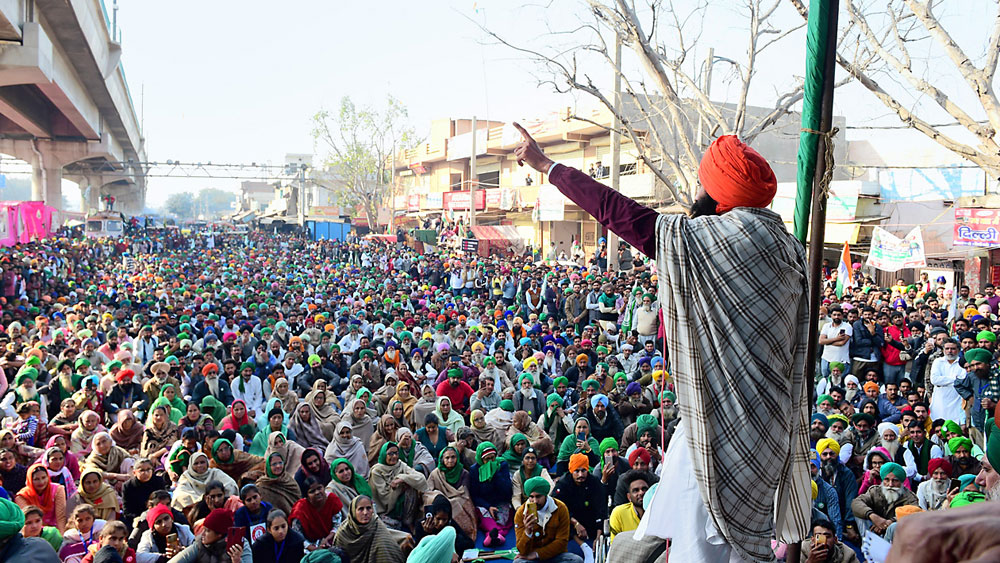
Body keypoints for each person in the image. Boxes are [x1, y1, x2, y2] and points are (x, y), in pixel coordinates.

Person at [514, 126, 811, 559]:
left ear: (718, 194)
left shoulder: (706, 241)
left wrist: (546, 165)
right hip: (770, 432)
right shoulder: (789, 249)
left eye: (702, 184)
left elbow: (618, 212)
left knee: (699, 547)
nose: (696, 194)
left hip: (715, 429)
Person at [512, 476, 580, 563]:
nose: (535, 501)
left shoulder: (561, 508)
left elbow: (562, 542)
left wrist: (537, 554)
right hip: (531, 557)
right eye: (531, 497)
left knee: (576, 560)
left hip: (554, 554)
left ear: (545, 495)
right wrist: (527, 532)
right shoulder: (521, 513)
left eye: (538, 496)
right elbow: (522, 550)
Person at [368, 442, 427, 531]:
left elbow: (420, 478)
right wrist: (398, 488)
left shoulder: (400, 465)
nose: (394, 456)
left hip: (401, 502)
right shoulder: (376, 471)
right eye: (390, 454)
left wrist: (401, 478)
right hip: (385, 508)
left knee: (411, 485)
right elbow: (384, 498)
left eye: (396, 453)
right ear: (384, 454)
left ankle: (408, 521)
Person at [553, 453, 606, 552]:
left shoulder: (594, 482)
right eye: (577, 471)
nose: (580, 475)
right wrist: (575, 523)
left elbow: (601, 508)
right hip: (570, 524)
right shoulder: (563, 484)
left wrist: (599, 536)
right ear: (571, 471)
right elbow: (558, 508)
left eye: (583, 471)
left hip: (591, 523)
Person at [423, 446, 477, 539]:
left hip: (459, 500)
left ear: (457, 458)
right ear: (442, 459)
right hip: (441, 502)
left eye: (453, 457)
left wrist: (450, 501)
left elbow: (465, 493)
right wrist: (440, 497)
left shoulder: (464, 473)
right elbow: (428, 491)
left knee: (457, 502)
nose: (450, 460)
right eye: (447, 458)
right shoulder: (435, 474)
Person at [851, 462, 917, 536]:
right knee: (860, 513)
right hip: (873, 529)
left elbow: (915, 513)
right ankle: (867, 541)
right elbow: (856, 502)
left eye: (895, 480)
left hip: (896, 535)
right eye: (887, 480)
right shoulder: (875, 491)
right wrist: (873, 517)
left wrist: (891, 522)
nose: (890, 484)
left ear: (901, 482)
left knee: (895, 526)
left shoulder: (909, 496)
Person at [332, 496, 406, 563]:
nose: (365, 513)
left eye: (368, 508)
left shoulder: (377, 527)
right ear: (353, 511)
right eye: (361, 509)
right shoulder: (344, 532)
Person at [469, 441, 514, 547]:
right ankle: (497, 535)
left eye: (492, 458)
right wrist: (488, 507)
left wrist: (495, 473)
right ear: (481, 459)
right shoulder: (475, 470)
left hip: (501, 501)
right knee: (484, 516)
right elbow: (475, 495)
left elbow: (507, 491)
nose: (490, 462)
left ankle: (492, 536)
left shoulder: (502, 465)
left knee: (503, 518)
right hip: (485, 504)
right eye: (487, 459)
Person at [164, 508, 250, 563]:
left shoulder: (240, 545)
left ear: (219, 534)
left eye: (207, 531)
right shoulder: (200, 544)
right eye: (203, 529)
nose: (203, 534)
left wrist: (237, 561)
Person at [0, 496, 60, 563]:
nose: (34, 526)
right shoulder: (42, 544)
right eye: (28, 523)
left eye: (37, 521)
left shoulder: (52, 537)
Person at [289, 476, 343, 548]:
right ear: (306, 496)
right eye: (312, 491)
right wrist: (312, 548)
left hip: (332, 538)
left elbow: (337, 524)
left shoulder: (332, 500)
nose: (317, 492)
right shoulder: (300, 509)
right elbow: (297, 535)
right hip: (309, 545)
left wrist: (327, 539)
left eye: (319, 488)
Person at [16, 462, 68, 531]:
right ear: (30, 480)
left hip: (56, 530)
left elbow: (61, 517)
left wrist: (61, 535)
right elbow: (29, 519)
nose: (41, 482)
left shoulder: (58, 490)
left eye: (44, 477)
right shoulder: (22, 496)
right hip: (33, 530)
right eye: (36, 479)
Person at [608, 470, 649, 541]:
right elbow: (615, 544)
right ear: (629, 497)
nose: (641, 493)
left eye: (644, 489)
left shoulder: (659, 513)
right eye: (636, 490)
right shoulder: (619, 513)